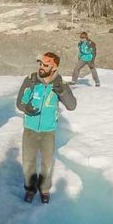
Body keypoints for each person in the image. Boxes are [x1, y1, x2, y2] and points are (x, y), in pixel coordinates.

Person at [15, 52, 77, 203]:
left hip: (48, 131)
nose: (41, 67)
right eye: (40, 64)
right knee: (28, 162)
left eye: (46, 65)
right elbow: (19, 102)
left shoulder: (60, 84)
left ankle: (44, 190)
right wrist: (26, 107)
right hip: (30, 129)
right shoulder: (30, 81)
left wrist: (62, 91)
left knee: (47, 163)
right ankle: (30, 189)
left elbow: (72, 106)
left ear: (54, 67)